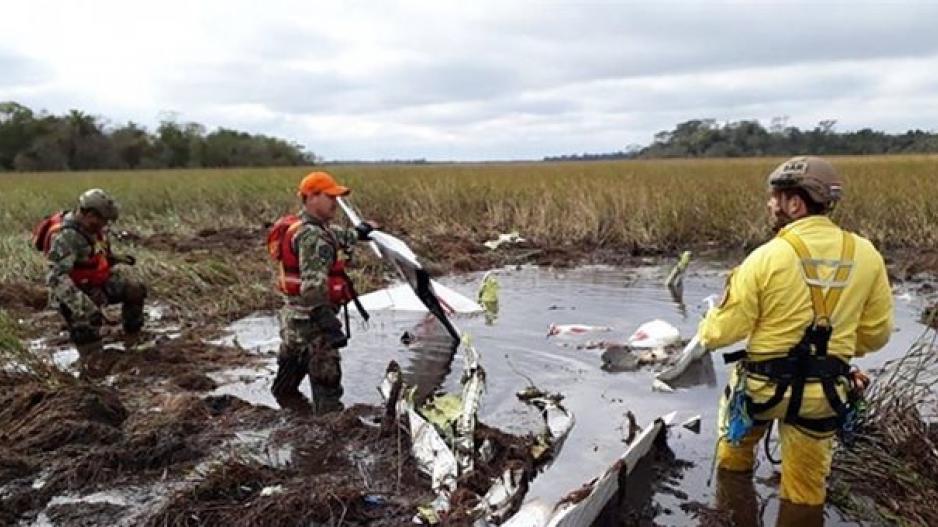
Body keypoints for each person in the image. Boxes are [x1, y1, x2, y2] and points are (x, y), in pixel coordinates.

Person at [698, 156, 893, 517]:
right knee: (805, 491)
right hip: (824, 395)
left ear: (795, 203)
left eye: (775, 197)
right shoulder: (867, 255)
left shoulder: (764, 257)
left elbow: (720, 333)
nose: (770, 204)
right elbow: (876, 334)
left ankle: (732, 511)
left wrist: (709, 320)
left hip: (761, 391)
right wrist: (838, 347)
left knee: (732, 458)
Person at [267, 171, 373, 413]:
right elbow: (313, 287)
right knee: (328, 401)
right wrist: (329, 324)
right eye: (330, 197)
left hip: (293, 323)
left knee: (285, 388)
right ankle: (325, 444)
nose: (335, 203)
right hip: (314, 328)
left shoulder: (304, 227)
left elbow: (340, 236)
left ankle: (289, 417)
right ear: (312, 197)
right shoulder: (313, 237)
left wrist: (360, 233)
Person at [36, 188, 145, 376]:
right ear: (87, 214)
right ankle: (90, 368)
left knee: (135, 289)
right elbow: (56, 277)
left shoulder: (94, 230)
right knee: (92, 353)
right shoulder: (66, 237)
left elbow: (96, 255)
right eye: (101, 220)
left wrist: (116, 259)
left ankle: (132, 341)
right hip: (72, 295)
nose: (104, 225)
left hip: (96, 283)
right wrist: (86, 307)